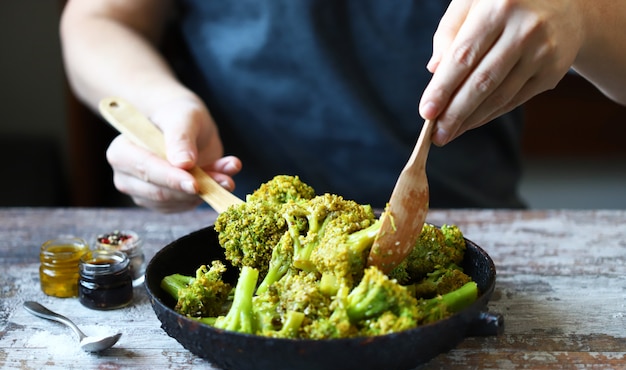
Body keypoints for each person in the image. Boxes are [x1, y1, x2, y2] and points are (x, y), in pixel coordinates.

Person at [60, 0, 626, 212]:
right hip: (230, 227)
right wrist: (163, 106)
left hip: (474, 228)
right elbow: (97, 19)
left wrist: (584, 16)